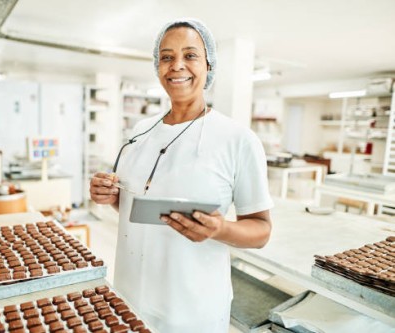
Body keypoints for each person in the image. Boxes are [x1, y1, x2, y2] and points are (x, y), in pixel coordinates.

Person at [90, 18, 273, 333]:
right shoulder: (139, 132)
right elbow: (137, 209)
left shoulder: (237, 139)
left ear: (208, 65)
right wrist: (110, 196)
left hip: (192, 309)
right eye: (166, 56)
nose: (176, 66)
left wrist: (219, 228)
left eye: (190, 55)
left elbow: (261, 230)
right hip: (130, 294)